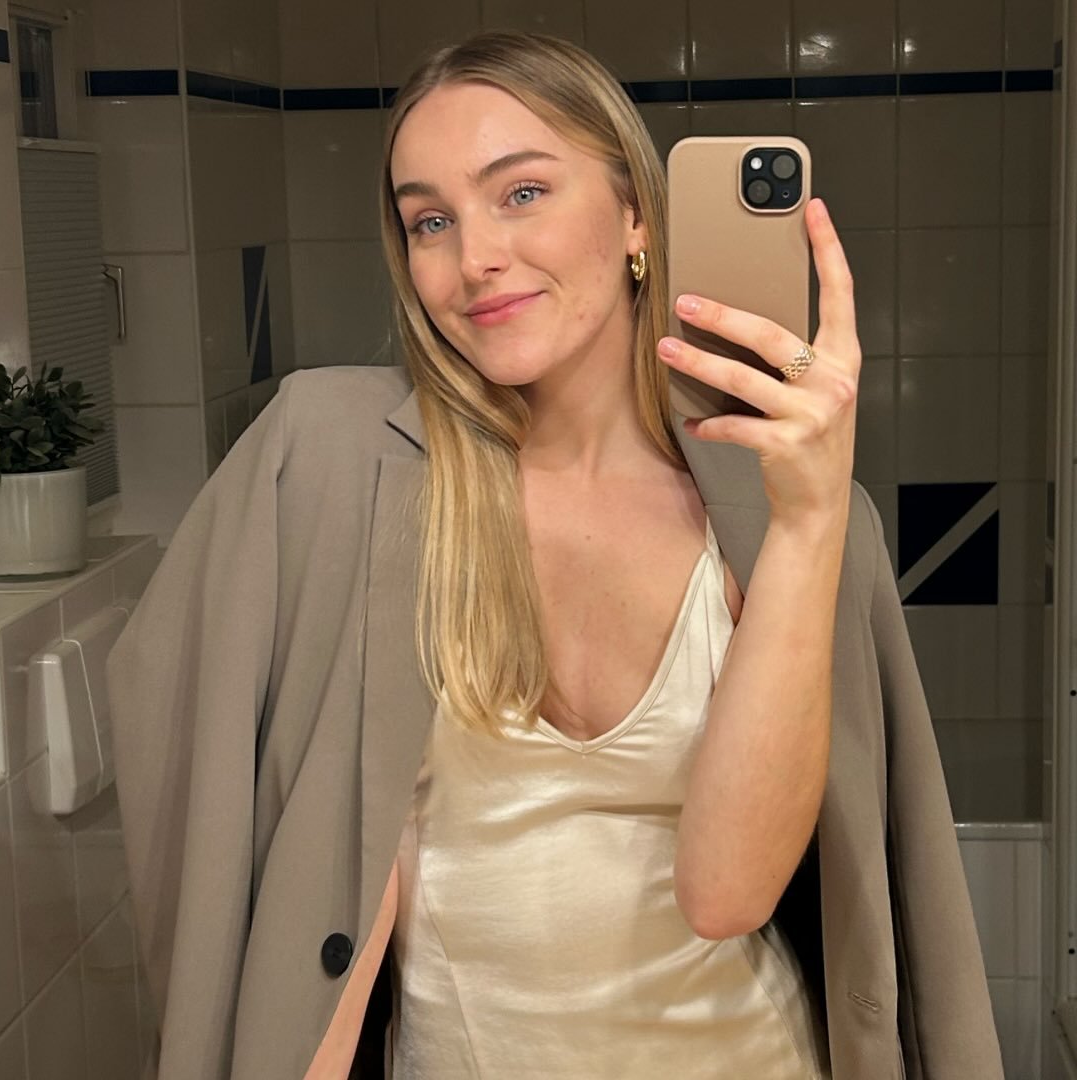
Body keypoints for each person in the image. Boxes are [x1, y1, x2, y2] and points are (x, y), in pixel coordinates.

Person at [105, 29, 1004, 1080]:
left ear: (634, 214)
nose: (474, 258)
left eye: (522, 192)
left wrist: (809, 525)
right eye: (430, 220)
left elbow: (728, 894)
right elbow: (304, 853)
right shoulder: (339, 468)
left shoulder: (783, 512)